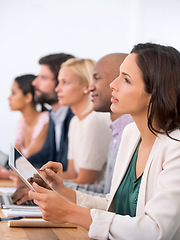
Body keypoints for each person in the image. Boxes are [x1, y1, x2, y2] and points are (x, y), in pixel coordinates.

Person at [29, 43, 180, 240]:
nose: (113, 85)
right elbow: (115, 206)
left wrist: (70, 212)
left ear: (156, 92)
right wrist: (64, 192)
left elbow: (155, 231)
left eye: (126, 79)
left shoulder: (175, 147)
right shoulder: (131, 133)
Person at [64, 53, 133, 196]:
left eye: (97, 78)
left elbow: (114, 202)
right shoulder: (117, 128)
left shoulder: (131, 132)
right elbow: (106, 191)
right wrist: (55, 187)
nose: (90, 88)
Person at [56, 58, 112, 184]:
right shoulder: (75, 121)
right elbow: (71, 174)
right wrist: (37, 178)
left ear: (87, 86)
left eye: (65, 83)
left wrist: (43, 187)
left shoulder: (95, 120)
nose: (57, 89)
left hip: (94, 199)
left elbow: (84, 181)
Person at [28, 53, 75, 170]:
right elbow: (44, 158)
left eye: (43, 78)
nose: (34, 83)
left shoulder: (75, 117)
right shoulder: (53, 115)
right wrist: (13, 169)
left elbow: (66, 169)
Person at [0, 74, 49, 181]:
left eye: (13, 93)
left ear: (28, 97)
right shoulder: (22, 122)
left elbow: (26, 161)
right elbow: (15, 160)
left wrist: (7, 173)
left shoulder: (45, 120)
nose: (9, 97)